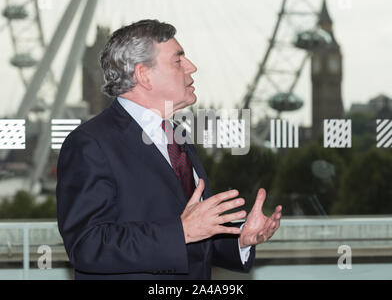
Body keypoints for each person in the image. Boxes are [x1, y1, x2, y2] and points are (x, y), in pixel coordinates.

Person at [56, 19, 282, 280]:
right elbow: (88, 245)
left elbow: (194, 237)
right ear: (144, 75)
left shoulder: (177, 136)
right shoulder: (90, 143)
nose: (192, 67)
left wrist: (241, 239)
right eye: (178, 60)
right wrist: (181, 231)